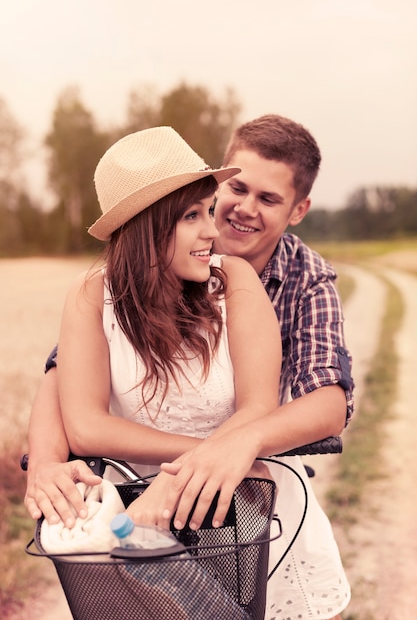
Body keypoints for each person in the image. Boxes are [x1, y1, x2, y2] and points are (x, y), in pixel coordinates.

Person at [25, 115, 353, 619]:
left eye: (268, 199)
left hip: (244, 505)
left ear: (297, 210)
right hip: (142, 499)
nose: (230, 217)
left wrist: (214, 461)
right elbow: (66, 383)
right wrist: (45, 464)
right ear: (150, 224)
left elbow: (322, 402)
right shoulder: (98, 293)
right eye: (235, 190)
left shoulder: (279, 281)